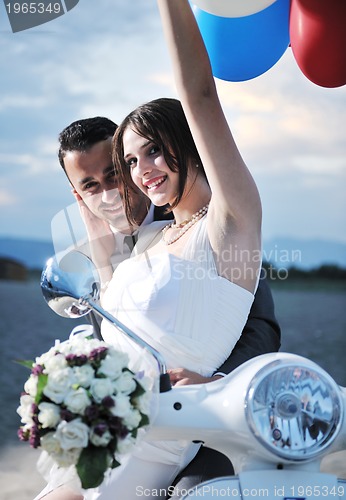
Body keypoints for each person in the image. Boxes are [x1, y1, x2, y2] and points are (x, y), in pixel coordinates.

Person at [36, 18, 279, 493]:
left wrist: (218, 380)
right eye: (131, 161)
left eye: (151, 152)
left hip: (175, 432)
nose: (139, 172)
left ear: (184, 140)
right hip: (106, 430)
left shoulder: (229, 223)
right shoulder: (146, 244)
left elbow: (200, 95)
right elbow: (111, 303)